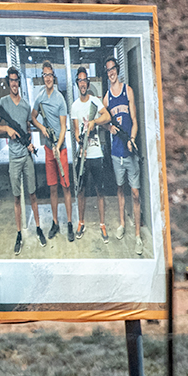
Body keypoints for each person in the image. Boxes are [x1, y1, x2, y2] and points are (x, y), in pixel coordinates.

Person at [0, 66, 46, 251]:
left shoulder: (25, 105)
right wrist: (7, 129)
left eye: (16, 80)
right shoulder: (3, 103)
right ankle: (19, 233)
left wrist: (29, 143)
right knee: (16, 197)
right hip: (13, 158)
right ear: (8, 83)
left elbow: (28, 130)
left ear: (19, 83)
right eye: (11, 80)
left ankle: (38, 228)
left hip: (26, 156)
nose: (14, 83)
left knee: (33, 194)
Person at [30, 60, 74, 243]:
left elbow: (64, 127)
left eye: (50, 75)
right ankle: (55, 223)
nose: (48, 78)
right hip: (48, 149)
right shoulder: (40, 97)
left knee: (66, 187)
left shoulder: (60, 99)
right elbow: (32, 117)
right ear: (43, 77)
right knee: (52, 187)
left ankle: (70, 223)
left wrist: (58, 146)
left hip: (60, 149)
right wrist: (41, 127)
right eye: (45, 75)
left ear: (54, 77)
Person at [104, 57, 144, 255]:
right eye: (108, 71)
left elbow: (135, 120)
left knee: (135, 194)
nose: (111, 73)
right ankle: (122, 224)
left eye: (113, 69)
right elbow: (102, 119)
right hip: (116, 154)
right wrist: (108, 126)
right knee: (120, 189)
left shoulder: (128, 91)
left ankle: (137, 235)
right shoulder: (106, 98)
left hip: (130, 150)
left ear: (117, 70)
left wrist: (132, 138)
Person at [68, 65, 111, 242]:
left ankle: (102, 224)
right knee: (81, 191)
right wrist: (79, 140)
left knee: (100, 191)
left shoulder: (95, 101)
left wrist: (93, 122)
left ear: (88, 82)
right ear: (77, 84)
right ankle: (81, 222)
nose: (83, 83)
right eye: (80, 81)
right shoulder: (74, 106)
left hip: (96, 153)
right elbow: (75, 130)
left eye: (85, 80)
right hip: (83, 155)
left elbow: (107, 117)